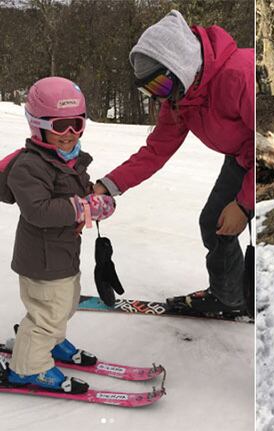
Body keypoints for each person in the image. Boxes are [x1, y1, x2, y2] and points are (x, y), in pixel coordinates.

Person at [92, 10, 254, 314]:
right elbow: (155, 151)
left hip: (271, 162)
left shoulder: (240, 75)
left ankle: (248, 293)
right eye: (148, 91)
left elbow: (269, 142)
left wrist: (245, 206)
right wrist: (107, 185)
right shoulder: (182, 98)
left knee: (235, 221)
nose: (159, 99)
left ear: (180, 66)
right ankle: (232, 296)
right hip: (241, 159)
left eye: (160, 87)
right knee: (215, 222)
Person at [3, 77, 116, 393]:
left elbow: (79, 194)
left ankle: (50, 342)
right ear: (37, 126)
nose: (70, 135)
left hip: (62, 254)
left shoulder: (71, 159)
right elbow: (37, 210)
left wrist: (96, 202)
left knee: (63, 305)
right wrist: (82, 208)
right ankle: (28, 368)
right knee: (47, 314)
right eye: (61, 126)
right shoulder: (30, 166)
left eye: (77, 124)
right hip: (41, 258)